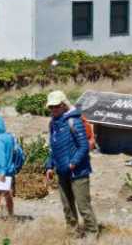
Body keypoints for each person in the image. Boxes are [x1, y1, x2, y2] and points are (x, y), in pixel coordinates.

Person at [45, 90, 98, 237]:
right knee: (67, 206)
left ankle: (92, 234)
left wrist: (73, 163)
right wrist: (49, 166)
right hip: (62, 171)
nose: (53, 109)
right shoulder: (53, 123)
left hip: (78, 172)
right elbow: (53, 147)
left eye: (56, 106)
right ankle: (72, 233)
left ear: (63, 105)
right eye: (51, 107)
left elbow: (84, 146)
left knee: (83, 206)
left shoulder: (74, 121)